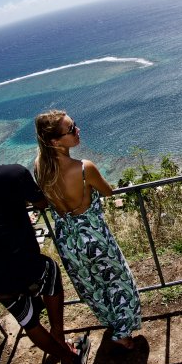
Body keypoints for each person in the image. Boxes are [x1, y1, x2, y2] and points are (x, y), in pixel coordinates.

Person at [0, 121, 89, 364]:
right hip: (24, 265)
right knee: (51, 271)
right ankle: (62, 341)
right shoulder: (14, 173)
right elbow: (41, 202)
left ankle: (65, 354)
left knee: (29, 322)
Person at [34, 110, 141, 349]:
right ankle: (123, 333)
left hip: (68, 242)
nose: (77, 130)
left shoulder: (41, 169)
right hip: (93, 237)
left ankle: (112, 324)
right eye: (71, 129)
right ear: (55, 141)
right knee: (118, 281)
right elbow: (108, 191)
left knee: (93, 287)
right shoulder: (84, 168)